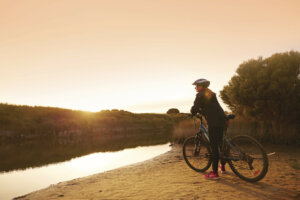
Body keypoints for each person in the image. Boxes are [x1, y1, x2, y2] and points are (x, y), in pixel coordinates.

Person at [190, 78, 226, 179]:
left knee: (214, 146)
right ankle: (222, 167)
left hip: (213, 121)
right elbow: (209, 106)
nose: (195, 88)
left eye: (196, 86)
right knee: (221, 144)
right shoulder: (211, 93)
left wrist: (192, 113)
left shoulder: (200, 95)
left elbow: (195, 107)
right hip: (222, 119)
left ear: (201, 86)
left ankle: (215, 173)